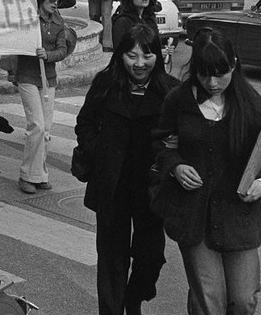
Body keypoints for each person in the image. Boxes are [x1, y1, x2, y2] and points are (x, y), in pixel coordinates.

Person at [153, 29, 261, 315]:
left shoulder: (253, 107)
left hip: (238, 216)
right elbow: (159, 144)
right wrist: (175, 165)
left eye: (220, 74)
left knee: (243, 299)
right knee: (209, 301)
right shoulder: (179, 101)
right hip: (193, 216)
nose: (212, 83)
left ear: (234, 65)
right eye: (204, 74)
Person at [74, 25, 178, 315]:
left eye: (147, 55)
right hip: (112, 185)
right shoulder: (105, 83)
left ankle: (134, 297)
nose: (139, 63)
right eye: (132, 55)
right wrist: (98, 151)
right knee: (111, 259)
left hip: (151, 188)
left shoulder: (170, 90)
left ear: (157, 55)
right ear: (121, 56)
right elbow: (85, 122)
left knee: (150, 257)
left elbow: (184, 132)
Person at [10, 0, 71, 193]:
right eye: (52, 0)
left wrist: (49, 55)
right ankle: (27, 175)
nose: (55, 4)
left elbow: (63, 49)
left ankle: (40, 174)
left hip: (49, 79)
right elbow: (15, 40)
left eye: (57, 0)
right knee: (36, 125)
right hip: (27, 76)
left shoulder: (58, 21)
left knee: (45, 128)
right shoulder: (28, 19)